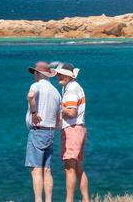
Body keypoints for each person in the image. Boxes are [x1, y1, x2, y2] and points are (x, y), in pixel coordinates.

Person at [25, 61, 61, 202]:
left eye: (35, 72)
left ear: (39, 73)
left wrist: (34, 113)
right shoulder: (56, 92)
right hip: (50, 132)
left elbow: (30, 95)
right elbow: (59, 117)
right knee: (47, 169)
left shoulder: (37, 85)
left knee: (36, 169)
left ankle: (38, 200)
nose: (34, 75)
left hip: (38, 131)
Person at [55, 62, 89, 202]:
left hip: (72, 129)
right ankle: (86, 200)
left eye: (61, 74)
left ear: (68, 76)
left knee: (69, 168)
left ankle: (69, 200)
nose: (58, 76)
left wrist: (59, 108)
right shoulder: (75, 87)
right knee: (78, 167)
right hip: (80, 128)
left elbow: (72, 112)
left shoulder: (71, 90)